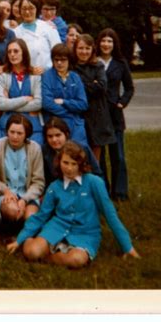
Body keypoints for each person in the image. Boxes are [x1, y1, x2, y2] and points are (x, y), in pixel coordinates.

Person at [7, 141, 140, 267]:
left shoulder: (95, 182)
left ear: (81, 164)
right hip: (56, 228)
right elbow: (41, 216)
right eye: (65, 163)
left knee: (76, 260)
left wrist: (127, 247)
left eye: (74, 164)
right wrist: (19, 240)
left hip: (85, 233)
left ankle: (48, 257)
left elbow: (110, 215)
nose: (69, 168)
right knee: (32, 252)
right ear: (59, 162)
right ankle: (35, 245)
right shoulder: (54, 186)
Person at [96, 28, 135, 201]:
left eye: (109, 41)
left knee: (118, 155)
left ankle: (120, 193)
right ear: (98, 43)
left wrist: (122, 102)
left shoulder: (120, 63)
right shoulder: (93, 62)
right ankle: (104, 191)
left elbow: (129, 87)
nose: (106, 44)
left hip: (115, 114)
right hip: (97, 114)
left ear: (114, 44)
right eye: (103, 40)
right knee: (101, 156)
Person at [0, 114, 45, 226]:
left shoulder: (35, 148)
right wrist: (5, 191)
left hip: (28, 194)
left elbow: (38, 182)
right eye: (12, 132)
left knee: (30, 218)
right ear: (7, 131)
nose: (15, 136)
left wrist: (24, 199)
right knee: (12, 211)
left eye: (20, 133)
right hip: (6, 194)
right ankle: (8, 228)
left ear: (26, 134)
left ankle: (22, 235)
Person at [73, 34, 116, 161]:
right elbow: (73, 90)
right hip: (80, 114)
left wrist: (81, 85)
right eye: (80, 48)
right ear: (75, 49)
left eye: (87, 48)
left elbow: (102, 87)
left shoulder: (98, 66)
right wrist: (92, 84)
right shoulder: (71, 68)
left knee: (95, 157)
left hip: (97, 115)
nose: (84, 52)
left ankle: (95, 179)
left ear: (92, 50)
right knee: (78, 153)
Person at [0, 38, 44, 145]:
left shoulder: (35, 76)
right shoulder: (3, 77)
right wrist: (26, 99)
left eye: (16, 51)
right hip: (7, 127)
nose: (12, 54)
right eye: (9, 52)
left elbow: (38, 103)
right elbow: (0, 104)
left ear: (24, 52)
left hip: (33, 127)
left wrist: (10, 104)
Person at [41, 43, 88, 146]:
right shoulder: (47, 76)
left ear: (69, 60)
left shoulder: (75, 77)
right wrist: (70, 112)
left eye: (63, 60)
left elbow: (83, 104)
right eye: (56, 59)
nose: (59, 63)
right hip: (55, 121)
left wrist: (64, 101)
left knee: (80, 149)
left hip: (75, 123)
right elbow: (47, 103)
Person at [42, 116, 103, 186]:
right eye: (50, 136)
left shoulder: (82, 148)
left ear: (66, 134)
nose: (54, 140)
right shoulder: (44, 151)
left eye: (58, 135)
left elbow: (97, 173)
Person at [14, 0, 61, 75]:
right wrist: (29, 69)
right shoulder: (15, 32)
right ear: (20, 10)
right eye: (24, 9)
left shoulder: (49, 28)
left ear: (37, 9)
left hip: (50, 75)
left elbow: (59, 52)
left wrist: (48, 69)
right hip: (27, 76)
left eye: (31, 8)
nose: (27, 12)